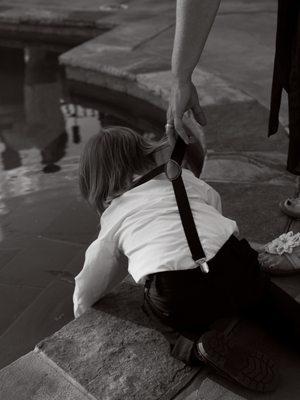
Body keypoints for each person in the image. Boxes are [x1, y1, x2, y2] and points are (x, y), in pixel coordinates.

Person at [73, 126, 300, 393]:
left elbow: (92, 278)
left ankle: (194, 346)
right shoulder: (180, 177)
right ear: (142, 153)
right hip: (233, 262)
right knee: (264, 297)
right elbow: (213, 204)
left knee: (151, 305)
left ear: (96, 179)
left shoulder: (114, 216)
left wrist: (81, 308)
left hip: (181, 293)